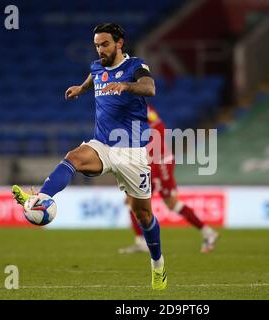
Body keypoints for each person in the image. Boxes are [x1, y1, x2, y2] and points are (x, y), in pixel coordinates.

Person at [11, 23, 167, 290]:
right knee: (73, 157)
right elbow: (95, 76)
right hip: (103, 145)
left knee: (144, 216)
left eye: (105, 44)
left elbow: (150, 88)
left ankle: (158, 265)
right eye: (96, 45)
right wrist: (81, 89)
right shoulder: (97, 67)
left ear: (119, 43)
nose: (100, 49)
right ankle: (41, 198)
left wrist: (127, 86)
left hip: (132, 151)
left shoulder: (136, 66)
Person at [119, 104, 219, 254]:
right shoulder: (129, 109)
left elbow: (159, 127)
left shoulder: (140, 106)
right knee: (145, 202)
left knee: (143, 201)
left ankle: (207, 232)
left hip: (158, 162)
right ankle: (207, 233)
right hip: (151, 161)